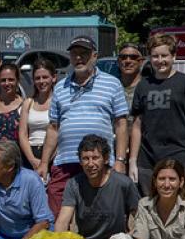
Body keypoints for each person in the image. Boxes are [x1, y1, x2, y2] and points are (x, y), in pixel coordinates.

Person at [37, 35, 129, 217]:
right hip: (65, 162)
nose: (79, 58)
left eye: (84, 54)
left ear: (94, 56)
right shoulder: (61, 87)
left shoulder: (112, 84)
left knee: (98, 215)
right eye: (75, 54)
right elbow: (53, 128)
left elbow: (121, 125)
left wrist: (119, 160)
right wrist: (44, 162)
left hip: (98, 162)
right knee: (57, 213)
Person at [129, 33, 185, 197]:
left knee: (183, 211)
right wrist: (132, 161)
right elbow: (137, 125)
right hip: (148, 160)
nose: (160, 60)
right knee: (151, 211)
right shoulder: (143, 85)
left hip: (182, 158)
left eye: (164, 55)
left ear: (174, 56)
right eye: (155, 56)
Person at [55, 134, 140, 239]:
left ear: (105, 159)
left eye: (95, 158)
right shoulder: (74, 184)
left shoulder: (123, 183)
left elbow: (142, 217)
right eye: (85, 159)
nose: (90, 164)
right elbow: (63, 221)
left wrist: (128, 236)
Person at [18, 58, 56, 171]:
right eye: (37, 78)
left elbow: (60, 133)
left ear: (53, 78)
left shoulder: (58, 103)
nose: (41, 81)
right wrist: (32, 160)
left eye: (45, 77)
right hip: (30, 154)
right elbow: (23, 134)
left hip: (52, 155)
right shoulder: (28, 103)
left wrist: (46, 161)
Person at [117, 42, 145, 110]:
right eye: (123, 57)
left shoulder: (149, 86)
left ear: (141, 62)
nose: (128, 61)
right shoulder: (111, 87)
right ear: (118, 61)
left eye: (133, 57)